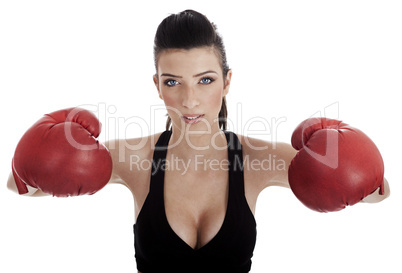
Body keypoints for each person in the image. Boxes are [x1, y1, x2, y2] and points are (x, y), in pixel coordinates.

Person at [8, 9, 390, 273]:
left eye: (205, 80)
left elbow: (375, 192)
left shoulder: (259, 159)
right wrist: (39, 155)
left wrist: (355, 167)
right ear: (157, 86)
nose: (189, 100)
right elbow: (24, 187)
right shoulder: (132, 158)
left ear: (226, 82)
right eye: (173, 82)